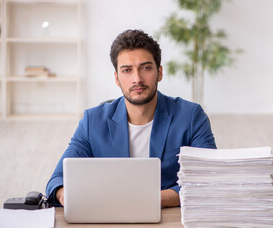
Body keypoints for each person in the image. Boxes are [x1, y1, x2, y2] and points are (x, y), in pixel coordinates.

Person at [46, 29, 216, 208]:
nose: (137, 79)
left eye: (146, 68)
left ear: (159, 73)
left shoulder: (191, 117)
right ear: (117, 78)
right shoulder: (92, 121)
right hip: (110, 217)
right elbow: (57, 179)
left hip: (168, 217)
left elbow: (209, 179)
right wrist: (66, 194)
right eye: (127, 70)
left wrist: (147, 200)